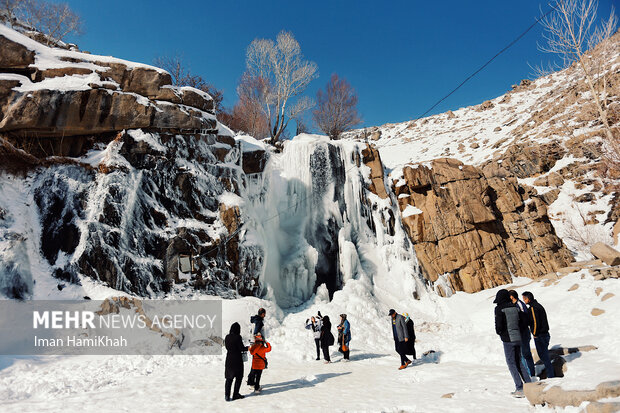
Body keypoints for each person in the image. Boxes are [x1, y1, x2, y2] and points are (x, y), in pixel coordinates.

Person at [494, 289, 531, 398]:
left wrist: (500, 333)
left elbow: (499, 326)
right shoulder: (515, 307)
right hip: (518, 337)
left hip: (508, 339)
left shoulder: (499, 309)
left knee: (511, 363)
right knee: (519, 361)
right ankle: (529, 385)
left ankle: (519, 388)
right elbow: (523, 321)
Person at [522, 291, 555, 379]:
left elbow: (536, 322)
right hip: (545, 334)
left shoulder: (533, 308)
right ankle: (551, 375)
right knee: (544, 356)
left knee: (544, 357)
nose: (524, 301)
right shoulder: (537, 305)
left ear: (528, 299)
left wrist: (535, 333)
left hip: (540, 335)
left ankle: (551, 376)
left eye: (524, 299)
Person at [509, 290, 535, 377]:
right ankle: (530, 373)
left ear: (512, 297)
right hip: (522, 333)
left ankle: (529, 374)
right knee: (525, 354)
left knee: (524, 355)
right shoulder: (515, 304)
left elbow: (525, 317)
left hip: (523, 333)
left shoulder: (519, 304)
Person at [224, 322, 248, 401]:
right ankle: (235, 394)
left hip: (229, 360)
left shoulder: (227, 337)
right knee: (239, 377)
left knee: (229, 379)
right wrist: (247, 348)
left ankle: (227, 396)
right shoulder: (238, 337)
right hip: (237, 360)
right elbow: (241, 348)